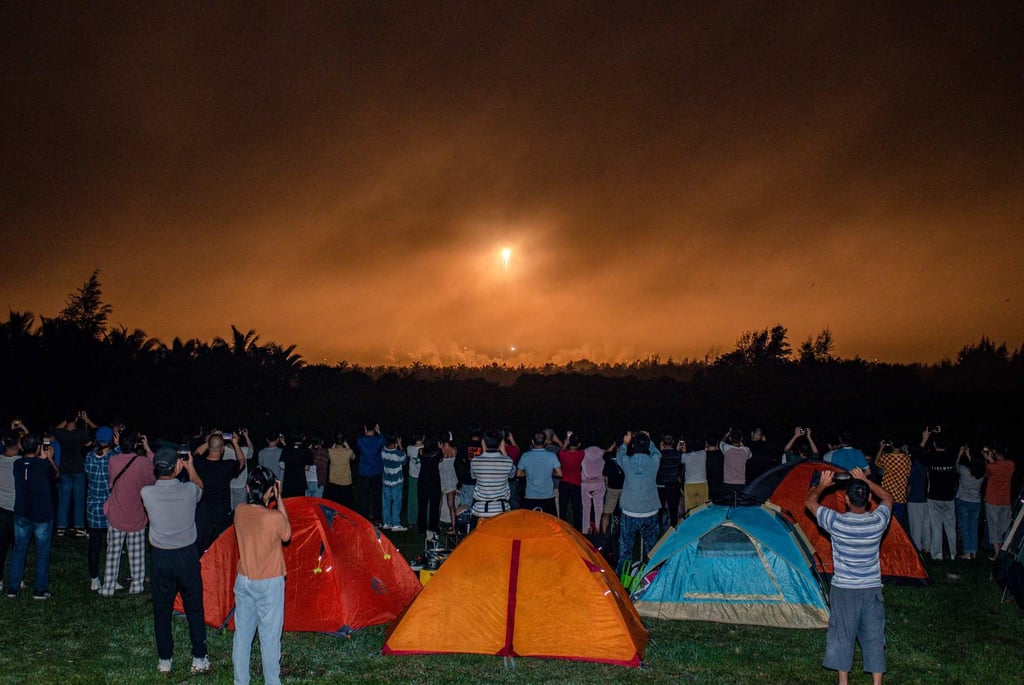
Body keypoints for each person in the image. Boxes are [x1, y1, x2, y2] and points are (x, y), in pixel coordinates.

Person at [805, 467, 893, 685]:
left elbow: (810, 503)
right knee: (874, 636)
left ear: (845, 499)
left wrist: (822, 485)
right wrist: (865, 480)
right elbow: (888, 498)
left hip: (844, 589)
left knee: (842, 634)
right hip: (871, 589)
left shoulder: (836, 522)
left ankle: (843, 682)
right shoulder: (877, 522)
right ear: (869, 499)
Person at [142, 447, 209, 675]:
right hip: (187, 556)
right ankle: (199, 657)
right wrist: (190, 467)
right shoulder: (189, 490)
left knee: (162, 609)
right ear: (177, 466)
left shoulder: (147, 493)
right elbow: (201, 487)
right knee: (194, 607)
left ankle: (165, 660)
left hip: (161, 557)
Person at [232, 466, 291, 685]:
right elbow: (287, 535)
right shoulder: (274, 517)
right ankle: (272, 682)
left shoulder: (239, 510)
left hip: (244, 579)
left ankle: (241, 681)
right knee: (269, 638)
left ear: (247, 488)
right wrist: (280, 498)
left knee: (243, 636)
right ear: (270, 492)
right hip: (268, 582)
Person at [100, 431, 155, 596]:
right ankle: (137, 585)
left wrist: (118, 446)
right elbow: (153, 478)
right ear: (136, 444)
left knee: (112, 553)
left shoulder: (113, 460)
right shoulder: (143, 462)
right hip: (136, 513)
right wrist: (148, 449)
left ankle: (108, 587)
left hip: (117, 512)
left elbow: (111, 480)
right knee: (136, 552)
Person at [6, 433, 59, 599]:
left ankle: (13, 588)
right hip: (41, 514)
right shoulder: (43, 465)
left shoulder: (17, 464)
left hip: (22, 512)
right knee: (42, 551)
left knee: (19, 549)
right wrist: (49, 458)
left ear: (21, 447)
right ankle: (40, 590)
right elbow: (56, 475)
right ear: (38, 448)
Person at [616, 431, 661, 575]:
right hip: (650, 512)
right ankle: (652, 577)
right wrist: (649, 439)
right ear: (647, 446)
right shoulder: (654, 461)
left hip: (630, 512)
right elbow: (656, 452)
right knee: (652, 549)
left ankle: (623, 579)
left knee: (626, 549)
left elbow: (620, 454)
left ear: (633, 446)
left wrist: (625, 443)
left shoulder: (627, 462)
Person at [193, 432, 246, 553]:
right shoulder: (227, 466)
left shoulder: (199, 463)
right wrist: (235, 443)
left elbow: (196, 453)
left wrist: (209, 441)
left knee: (202, 545)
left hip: (203, 510)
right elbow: (242, 460)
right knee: (223, 546)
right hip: (222, 512)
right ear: (222, 449)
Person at [84, 426, 120, 591]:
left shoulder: (89, 456)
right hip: (109, 505)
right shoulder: (113, 457)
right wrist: (118, 445)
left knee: (95, 545)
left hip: (92, 505)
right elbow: (124, 460)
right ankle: (111, 578)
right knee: (112, 545)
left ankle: (94, 579)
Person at [53, 411, 95, 537]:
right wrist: (86, 420)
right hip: (78, 469)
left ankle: (61, 527)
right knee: (79, 500)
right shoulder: (81, 433)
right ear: (76, 420)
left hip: (64, 469)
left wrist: (68, 420)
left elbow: (55, 430)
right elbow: (97, 431)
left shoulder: (62, 433)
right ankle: (79, 527)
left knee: (63, 499)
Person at [921, 427, 957, 561]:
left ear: (935, 444)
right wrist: (941, 434)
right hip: (949, 497)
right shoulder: (952, 457)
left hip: (934, 497)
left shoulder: (932, 457)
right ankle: (952, 553)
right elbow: (952, 447)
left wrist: (925, 439)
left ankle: (937, 554)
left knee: (936, 526)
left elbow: (920, 454)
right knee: (950, 526)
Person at [469, 430, 515, 528]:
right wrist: (504, 451)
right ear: (500, 443)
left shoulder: (475, 461)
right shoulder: (507, 462)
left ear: (483, 442)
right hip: (501, 511)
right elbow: (512, 474)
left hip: (480, 512)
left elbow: (473, 476)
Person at [517, 431, 562, 516]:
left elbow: (518, 474)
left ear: (532, 442)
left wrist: (528, 472)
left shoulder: (525, 456)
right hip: (548, 496)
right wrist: (551, 472)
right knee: (550, 525)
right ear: (545, 442)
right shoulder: (552, 456)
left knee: (531, 524)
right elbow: (559, 474)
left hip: (530, 496)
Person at [983, 444, 1016, 557]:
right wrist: (991, 460)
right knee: (1004, 528)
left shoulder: (992, 466)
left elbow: (988, 474)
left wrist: (988, 459)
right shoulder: (1011, 465)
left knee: (993, 528)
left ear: (995, 452)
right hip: (1005, 501)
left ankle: (997, 554)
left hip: (992, 501)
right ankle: (1004, 551)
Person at [954, 445, 985, 560]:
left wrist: (960, 454)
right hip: (976, 502)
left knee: (964, 527)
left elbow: (956, 465)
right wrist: (970, 456)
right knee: (973, 528)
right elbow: (978, 466)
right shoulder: (982, 474)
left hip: (963, 501)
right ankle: (974, 551)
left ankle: (967, 552)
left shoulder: (964, 470)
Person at [0, 430, 21, 591]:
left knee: (1, 546)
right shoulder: (21, 463)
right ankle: (17, 578)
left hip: (2, 509)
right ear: (19, 445)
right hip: (17, 510)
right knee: (18, 547)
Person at [874, 440, 911, 528]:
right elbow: (908, 474)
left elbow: (876, 462)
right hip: (900, 496)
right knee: (899, 525)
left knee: (887, 523)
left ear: (891, 444)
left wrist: (881, 448)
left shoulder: (886, 457)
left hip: (887, 495)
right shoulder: (907, 459)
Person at [356, 423, 385, 523]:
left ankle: (364, 516)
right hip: (376, 471)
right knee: (376, 495)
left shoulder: (360, 441)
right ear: (375, 429)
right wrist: (379, 432)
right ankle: (377, 517)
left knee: (364, 496)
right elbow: (384, 441)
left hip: (364, 472)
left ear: (365, 428)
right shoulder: (379, 440)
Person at [557, 432, 585, 531]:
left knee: (563, 508)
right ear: (579, 444)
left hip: (564, 483)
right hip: (576, 484)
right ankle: (578, 529)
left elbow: (561, 450)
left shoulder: (562, 454)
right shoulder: (581, 454)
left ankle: (562, 528)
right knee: (576, 508)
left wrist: (565, 442)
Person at [416, 436, 442, 541]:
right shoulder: (438, 452)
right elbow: (441, 459)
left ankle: (422, 528)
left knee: (422, 505)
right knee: (434, 506)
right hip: (434, 481)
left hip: (422, 480)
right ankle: (433, 527)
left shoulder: (420, 451)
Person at [580, 436, 607, 534]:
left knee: (586, 507)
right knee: (599, 507)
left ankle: (585, 531)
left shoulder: (583, 453)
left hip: (586, 483)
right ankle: (598, 528)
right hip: (599, 482)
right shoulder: (603, 452)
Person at [655, 434, 682, 532]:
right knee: (673, 511)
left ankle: (658, 532)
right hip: (673, 485)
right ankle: (673, 531)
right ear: (673, 442)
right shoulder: (677, 454)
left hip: (661, 486)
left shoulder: (658, 455)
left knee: (659, 511)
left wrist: (660, 449)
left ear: (662, 442)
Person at [381, 433, 407, 531]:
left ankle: (387, 522)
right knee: (396, 502)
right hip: (397, 482)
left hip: (386, 480)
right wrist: (400, 446)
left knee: (386, 502)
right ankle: (396, 523)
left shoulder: (383, 451)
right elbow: (404, 461)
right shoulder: (398, 453)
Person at [324, 432, 355, 508]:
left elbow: (328, 456)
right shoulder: (349, 451)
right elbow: (353, 457)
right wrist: (346, 444)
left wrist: (334, 444)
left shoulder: (330, 451)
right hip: (346, 483)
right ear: (344, 440)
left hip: (334, 482)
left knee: (334, 506)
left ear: (334, 440)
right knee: (346, 506)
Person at [679, 439, 709, 516]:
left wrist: (683, 449)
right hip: (702, 482)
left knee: (690, 509)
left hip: (689, 484)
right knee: (703, 507)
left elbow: (679, 455)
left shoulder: (684, 456)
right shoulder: (703, 454)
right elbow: (707, 447)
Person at [719, 428, 751, 498]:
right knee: (739, 506)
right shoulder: (746, 450)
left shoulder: (726, 448)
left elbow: (721, 442)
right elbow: (749, 455)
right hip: (741, 483)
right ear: (741, 439)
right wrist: (741, 442)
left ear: (730, 438)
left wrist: (727, 434)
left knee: (727, 505)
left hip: (728, 483)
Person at [279, 432, 312, 499]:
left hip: (288, 483)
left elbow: (281, 464)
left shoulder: (286, 449)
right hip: (300, 483)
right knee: (299, 505)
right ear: (303, 438)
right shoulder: (306, 450)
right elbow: (307, 468)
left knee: (288, 504)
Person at [601, 443, 625, 534]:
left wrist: (613, 444)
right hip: (624, 488)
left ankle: (603, 534)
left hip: (612, 488)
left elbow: (605, 455)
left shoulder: (609, 456)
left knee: (606, 513)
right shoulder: (627, 456)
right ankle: (622, 533)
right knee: (624, 513)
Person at [405, 432, 423, 528]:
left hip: (413, 475)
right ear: (423, 437)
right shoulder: (425, 449)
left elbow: (408, 456)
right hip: (422, 476)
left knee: (412, 498)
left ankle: (411, 520)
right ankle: (424, 519)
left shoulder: (409, 448)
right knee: (424, 497)